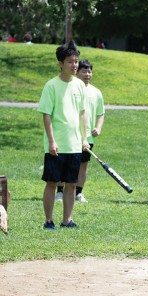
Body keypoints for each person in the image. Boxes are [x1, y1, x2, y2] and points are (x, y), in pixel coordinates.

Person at [38, 40, 88, 230]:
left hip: (75, 144)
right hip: (56, 145)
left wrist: (84, 138)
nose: (74, 65)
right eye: (70, 61)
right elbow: (46, 115)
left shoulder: (80, 85)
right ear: (60, 63)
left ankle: (67, 220)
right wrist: (51, 141)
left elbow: (82, 113)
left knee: (72, 184)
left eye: (76, 61)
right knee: (52, 183)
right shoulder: (51, 85)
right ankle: (48, 221)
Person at [56, 59, 105, 203]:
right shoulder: (70, 88)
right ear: (77, 72)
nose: (87, 74)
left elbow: (101, 113)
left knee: (83, 165)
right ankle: (60, 192)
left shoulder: (96, 92)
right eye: (84, 71)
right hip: (70, 135)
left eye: (89, 71)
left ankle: (78, 192)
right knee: (64, 163)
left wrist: (98, 128)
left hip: (87, 136)